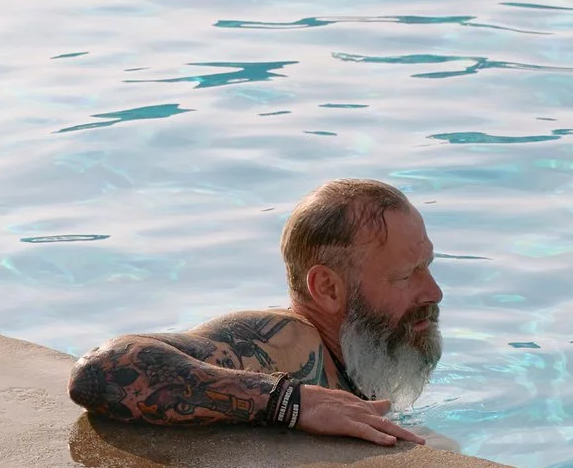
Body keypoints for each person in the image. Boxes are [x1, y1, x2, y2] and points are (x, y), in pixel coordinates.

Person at [69, 179, 438, 446]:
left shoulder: (355, 354)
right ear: (327, 288)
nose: (433, 292)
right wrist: (292, 403)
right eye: (406, 276)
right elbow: (102, 370)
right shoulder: (287, 342)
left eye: (428, 266)